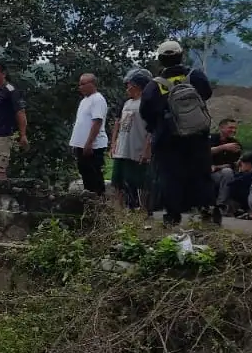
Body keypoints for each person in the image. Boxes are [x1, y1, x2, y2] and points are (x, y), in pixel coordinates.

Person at [140, 40, 214, 227]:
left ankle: (173, 216)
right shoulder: (195, 76)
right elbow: (207, 94)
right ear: (182, 55)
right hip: (197, 136)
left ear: (161, 60)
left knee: (170, 177)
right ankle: (208, 212)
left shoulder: (154, 85)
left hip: (168, 140)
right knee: (201, 175)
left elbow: (145, 112)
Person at [110, 69, 153, 213]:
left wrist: (147, 149)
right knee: (118, 181)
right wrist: (114, 142)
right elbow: (119, 124)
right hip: (122, 150)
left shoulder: (146, 104)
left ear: (138, 86)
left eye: (129, 85)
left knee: (138, 183)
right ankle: (120, 211)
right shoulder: (127, 103)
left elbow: (151, 130)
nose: (127, 88)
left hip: (137, 149)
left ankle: (142, 212)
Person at [69, 73, 109, 195]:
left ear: (92, 84)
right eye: (79, 84)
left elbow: (97, 122)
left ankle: (98, 202)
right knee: (85, 174)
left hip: (92, 146)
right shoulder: (84, 101)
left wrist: (89, 143)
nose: (80, 87)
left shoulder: (97, 99)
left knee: (94, 175)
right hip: (81, 146)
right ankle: (89, 203)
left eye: (83, 84)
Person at [209, 117, 244, 225]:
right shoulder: (211, 139)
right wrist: (223, 147)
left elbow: (232, 165)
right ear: (221, 128)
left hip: (221, 174)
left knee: (228, 172)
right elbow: (202, 153)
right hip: (205, 173)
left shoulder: (235, 144)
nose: (233, 130)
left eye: (235, 128)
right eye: (230, 128)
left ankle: (220, 206)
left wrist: (218, 167)